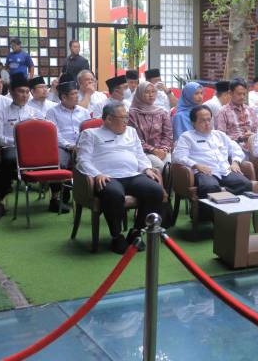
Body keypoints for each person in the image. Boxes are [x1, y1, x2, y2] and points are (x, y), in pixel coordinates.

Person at [76, 101, 165, 254]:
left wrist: (146, 168)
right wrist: (97, 174)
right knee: (114, 194)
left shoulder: (131, 132)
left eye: (127, 117)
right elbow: (82, 160)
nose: (126, 121)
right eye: (123, 118)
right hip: (107, 177)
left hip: (133, 175)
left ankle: (136, 231)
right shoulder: (90, 134)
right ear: (109, 119)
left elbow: (140, 154)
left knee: (155, 190)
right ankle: (116, 236)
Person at [174, 105, 253, 218]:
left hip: (225, 171)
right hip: (204, 172)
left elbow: (236, 149)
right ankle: (209, 217)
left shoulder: (219, 135)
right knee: (210, 187)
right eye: (202, 121)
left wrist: (235, 162)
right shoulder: (187, 137)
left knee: (245, 184)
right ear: (193, 123)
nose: (207, 123)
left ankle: (232, 213)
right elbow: (178, 156)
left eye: (209, 120)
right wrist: (196, 165)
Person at [0, 73, 43, 220]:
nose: (24, 95)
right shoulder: (1, 114)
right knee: (8, 159)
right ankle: (0, 202)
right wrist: (17, 141)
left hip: (33, 149)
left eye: (27, 92)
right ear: (12, 92)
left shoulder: (36, 113)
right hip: (11, 148)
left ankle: (55, 197)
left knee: (55, 159)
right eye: (20, 91)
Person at [45, 80, 90, 211]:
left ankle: (91, 194)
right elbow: (54, 134)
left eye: (77, 93)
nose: (77, 96)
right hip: (61, 146)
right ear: (64, 97)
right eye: (74, 94)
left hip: (81, 146)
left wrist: (81, 146)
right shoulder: (52, 112)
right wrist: (69, 145)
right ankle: (55, 198)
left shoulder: (84, 112)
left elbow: (88, 132)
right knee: (57, 162)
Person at [128, 81, 173, 170]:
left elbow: (168, 134)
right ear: (140, 94)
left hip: (162, 150)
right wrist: (153, 150)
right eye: (147, 92)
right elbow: (135, 138)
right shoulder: (132, 114)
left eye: (153, 92)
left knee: (169, 166)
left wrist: (163, 149)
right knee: (159, 166)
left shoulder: (161, 112)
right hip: (143, 151)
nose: (151, 95)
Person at [214, 79, 258, 151]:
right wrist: (240, 138)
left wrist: (252, 135)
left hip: (254, 146)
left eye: (244, 94)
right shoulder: (223, 112)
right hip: (234, 149)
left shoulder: (250, 110)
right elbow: (221, 137)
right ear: (230, 93)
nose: (242, 97)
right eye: (239, 94)